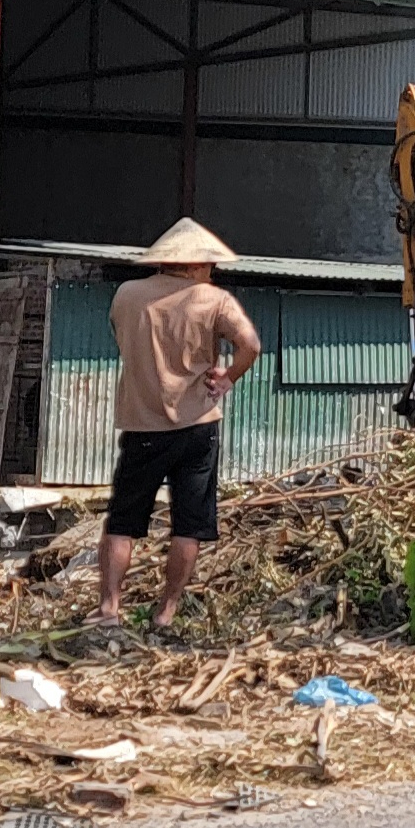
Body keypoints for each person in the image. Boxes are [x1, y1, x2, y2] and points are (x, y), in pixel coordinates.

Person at [93, 218, 260, 629]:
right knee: (189, 524)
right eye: (209, 265)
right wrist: (227, 377)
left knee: (123, 522)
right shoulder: (214, 299)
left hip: (143, 427)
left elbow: (121, 338)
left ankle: (109, 608)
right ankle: (165, 612)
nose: (212, 272)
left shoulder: (128, 295)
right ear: (196, 265)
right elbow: (250, 345)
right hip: (198, 426)